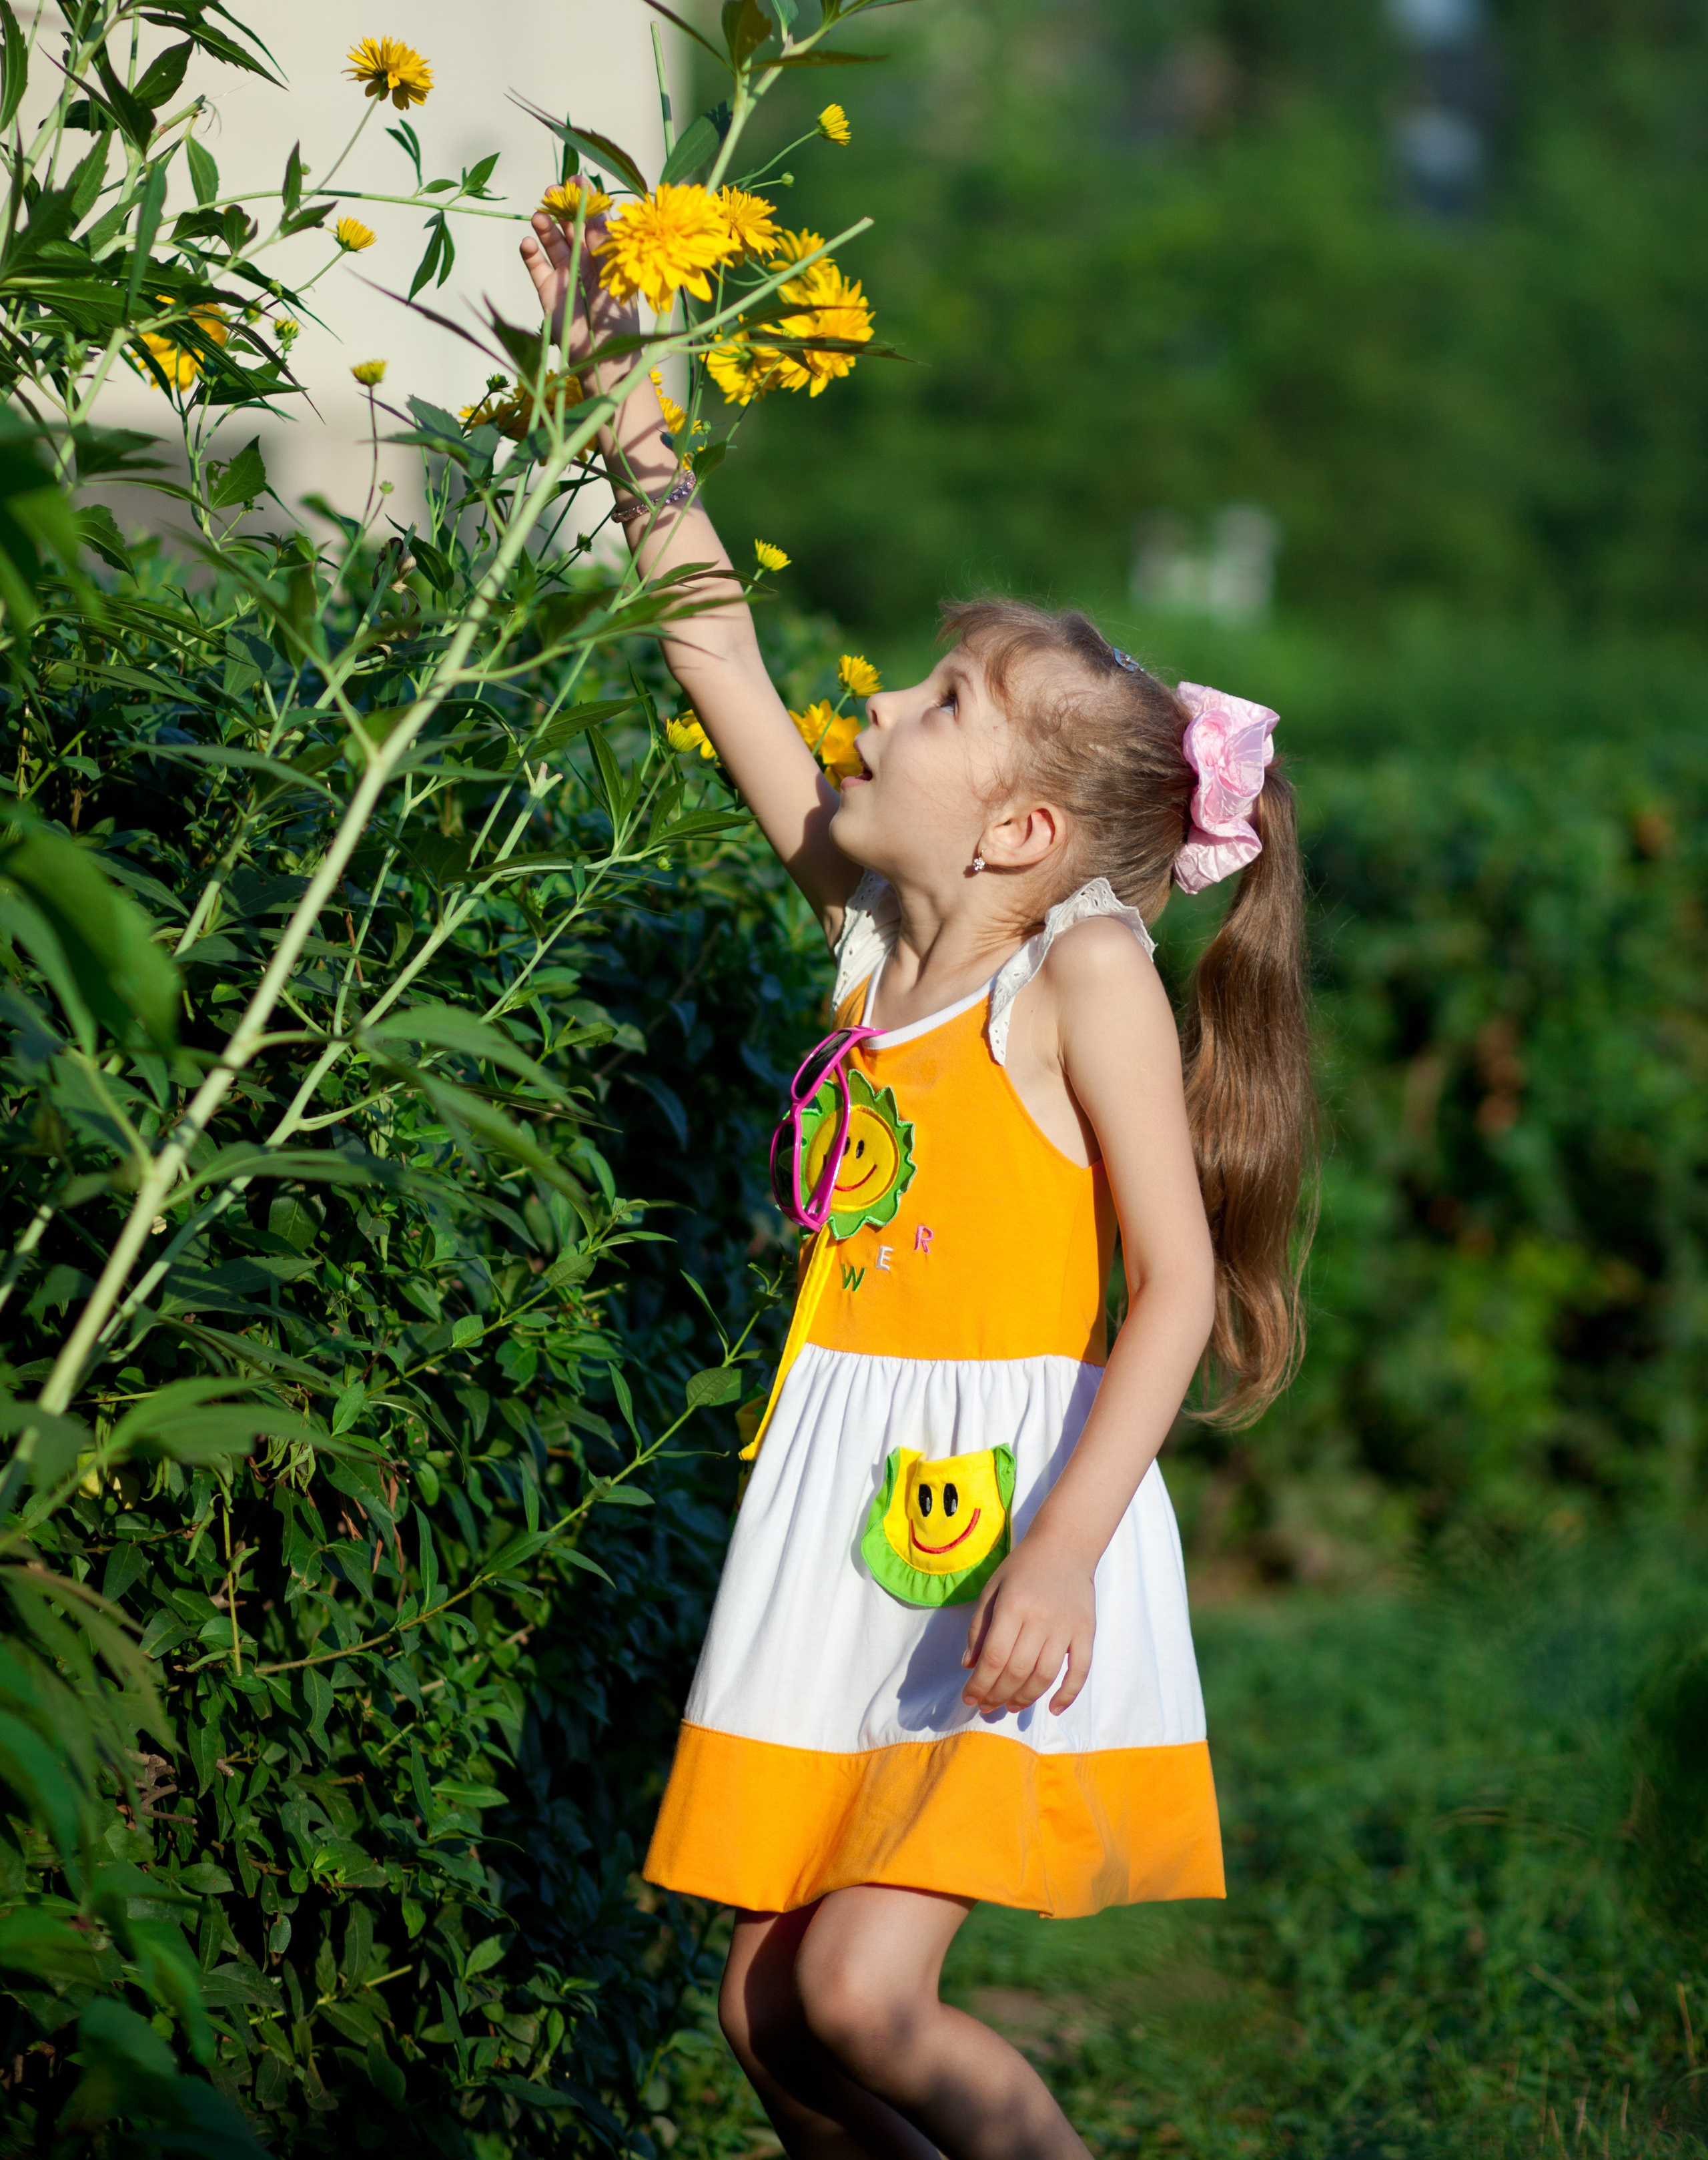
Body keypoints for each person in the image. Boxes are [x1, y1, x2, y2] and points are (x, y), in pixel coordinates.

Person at [520, 206, 1314, 2160]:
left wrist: (1055, 1554)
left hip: (1006, 1531)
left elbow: (1181, 1296)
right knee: (772, 2015)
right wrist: (626, 409)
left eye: (937, 707)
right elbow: (713, 646)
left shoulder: (1086, 973)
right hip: (852, 1505)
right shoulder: (883, 944)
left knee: (864, 1997)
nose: (873, 708)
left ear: (1029, 828)